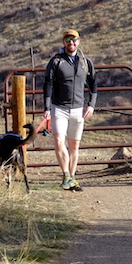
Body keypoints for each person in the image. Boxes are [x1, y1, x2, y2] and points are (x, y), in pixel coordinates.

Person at [43, 29, 97, 191]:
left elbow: (93, 85)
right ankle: (66, 174)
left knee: (74, 146)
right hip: (59, 108)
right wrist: (46, 108)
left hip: (78, 110)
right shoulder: (56, 62)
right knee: (59, 141)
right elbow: (48, 85)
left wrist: (91, 105)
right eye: (67, 40)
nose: (71, 43)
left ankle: (72, 178)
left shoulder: (85, 62)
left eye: (73, 40)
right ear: (63, 43)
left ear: (78, 41)